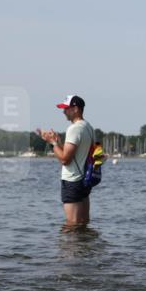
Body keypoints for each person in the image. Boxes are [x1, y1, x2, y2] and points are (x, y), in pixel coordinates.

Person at [38, 95, 96, 228]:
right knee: (83, 223)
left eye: (66, 108)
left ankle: (71, 243)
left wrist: (52, 143)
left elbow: (65, 159)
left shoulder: (74, 129)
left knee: (72, 225)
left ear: (75, 109)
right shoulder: (88, 127)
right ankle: (84, 242)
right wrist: (58, 142)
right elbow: (75, 154)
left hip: (72, 181)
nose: (63, 112)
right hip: (84, 180)